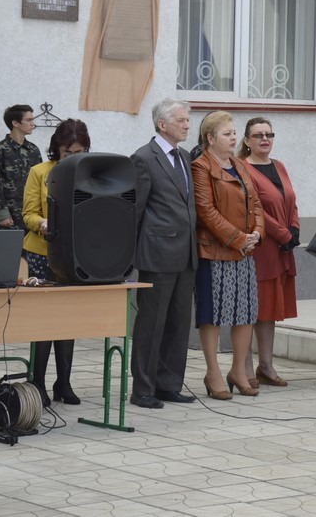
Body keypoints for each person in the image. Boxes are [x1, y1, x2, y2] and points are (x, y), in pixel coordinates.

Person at [130, 99, 198, 409]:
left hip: (186, 254)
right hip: (157, 253)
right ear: (162, 124)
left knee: (178, 322)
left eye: (187, 119)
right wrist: (131, 256)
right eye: (181, 120)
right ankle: (143, 388)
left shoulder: (184, 156)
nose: (187, 124)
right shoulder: (144, 158)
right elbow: (136, 210)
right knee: (151, 324)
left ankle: (169, 383)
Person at [191, 111, 264, 399]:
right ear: (210, 138)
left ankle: (237, 370)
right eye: (227, 134)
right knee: (213, 313)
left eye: (234, 133)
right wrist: (238, 239)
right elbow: (206, 212)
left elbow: (255, 202)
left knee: (244, 312)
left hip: (245, 251)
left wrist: (257, 234)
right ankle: (213, 372)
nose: (234, 138)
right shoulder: (200, 167)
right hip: (215, 251)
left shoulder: (238, 164)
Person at [21, 118, 90, 406]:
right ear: (57, 150)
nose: (73, 158)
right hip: (40, 252)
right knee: (43, 322)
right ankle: (37, 382)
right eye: (67, 153)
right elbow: (27, 213)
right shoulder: (39, 172)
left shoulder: (90, 173)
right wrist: (42, 223)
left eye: (79, 153)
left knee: (67, 321)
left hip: (73, 255)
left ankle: (64, 381)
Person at [240, 116, 300, 387]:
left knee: (271, 309)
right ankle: (245, 365)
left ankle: (267, 364)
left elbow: (291, 200)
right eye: (258, 135)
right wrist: (282, 233)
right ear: (246, 141)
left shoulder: (279, 166)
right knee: (254, 307)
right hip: (262, 246)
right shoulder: (242, 167)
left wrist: (295, 228)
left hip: (283, 248)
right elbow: (256, 208)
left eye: (269, 134)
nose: (265, 139)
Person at [0, 104, 42, 230]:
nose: (33, 124)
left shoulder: (33, 150)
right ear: (15, 123)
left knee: (31, 249)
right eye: (29, 120)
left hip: (32, 214)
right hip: (10, 216)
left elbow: (41, 181)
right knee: (9, 249)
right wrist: (1, 215)